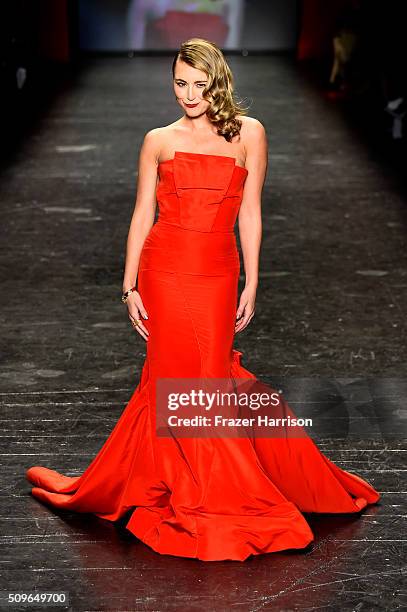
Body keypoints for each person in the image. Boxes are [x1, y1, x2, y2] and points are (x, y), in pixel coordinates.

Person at [25, 38, 380, 562]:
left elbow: (251, 214)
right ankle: (184, 483)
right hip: (164, 270)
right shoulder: (158, 140)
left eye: (199, 84)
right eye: (180, 83)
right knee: (171, 379)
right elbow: (142, 215)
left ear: (218, 83)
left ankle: (205, 479)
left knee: (209, 377)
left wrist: (253, 282)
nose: (188, 94)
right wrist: (129, 286)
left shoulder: (250, 135)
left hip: (216, 272)